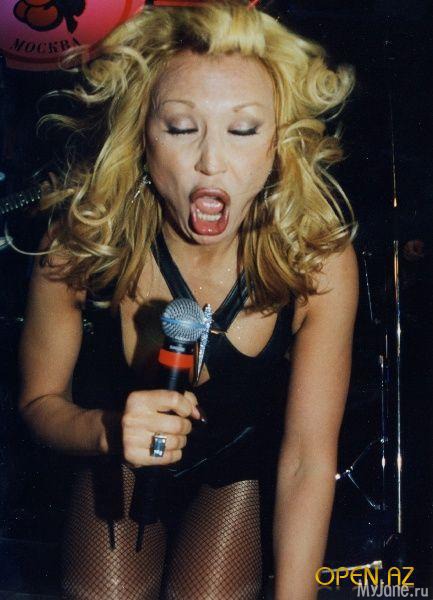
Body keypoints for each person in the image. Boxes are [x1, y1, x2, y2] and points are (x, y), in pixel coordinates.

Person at [18, 1, 359, 598]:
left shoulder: (317, 258)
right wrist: (106, 430)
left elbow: (307, 459)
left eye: (243, 130)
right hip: (116, 468)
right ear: (141, 138)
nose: (210, 161)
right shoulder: (80, 242)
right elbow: (37, 403)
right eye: (180, 127)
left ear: (279, 143)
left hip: (234, 476)